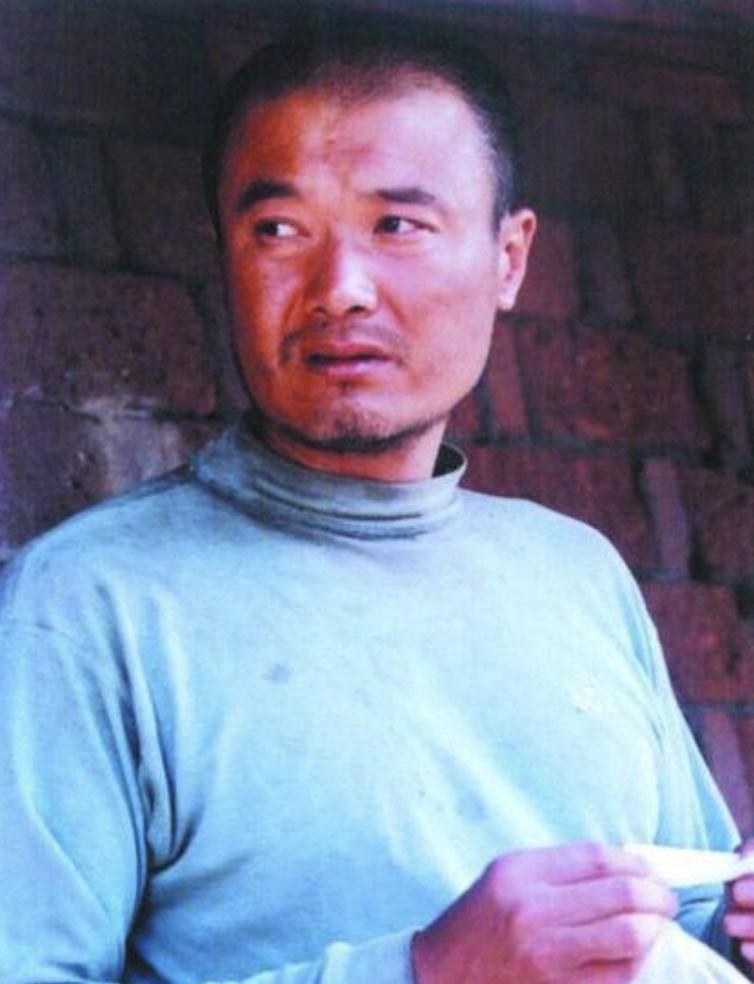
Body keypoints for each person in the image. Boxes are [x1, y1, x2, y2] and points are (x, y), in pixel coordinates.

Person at [1, 12, 753, 984]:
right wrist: (422, 971)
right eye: (279, 230)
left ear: (509, 258)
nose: (340, 289)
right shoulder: (82, 607)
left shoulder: (574, 571)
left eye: (397, 225)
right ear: (224, 257)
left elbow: (683, 930)